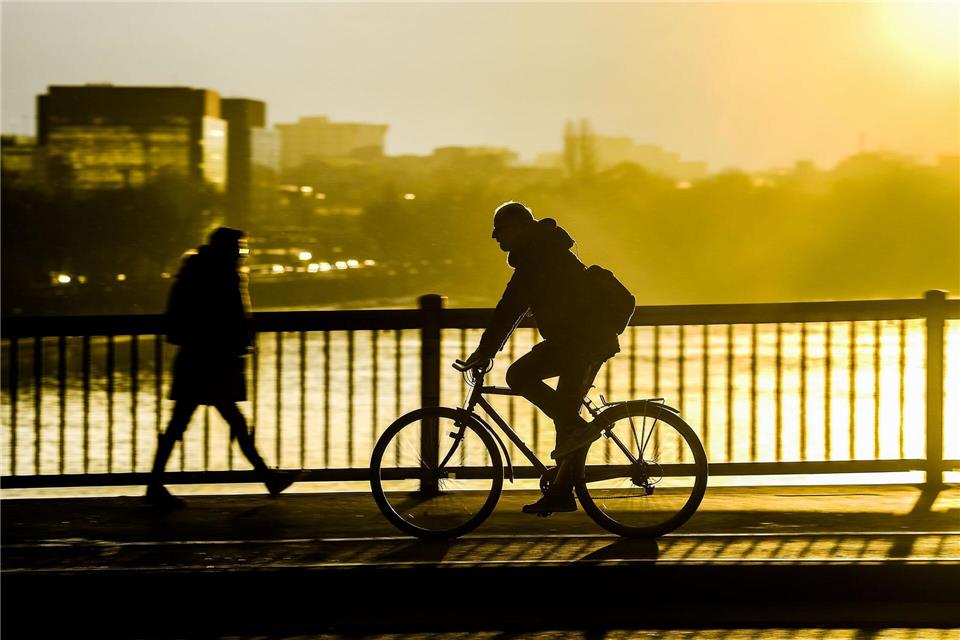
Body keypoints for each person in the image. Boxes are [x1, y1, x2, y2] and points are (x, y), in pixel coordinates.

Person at [462, 202, 622, 514]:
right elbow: (515, 308)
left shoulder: (538, 258)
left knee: (519, 377)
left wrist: (485, 352)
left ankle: (577, 431)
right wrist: (487, 350)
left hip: (582, 342)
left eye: (501, 228)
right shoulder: (544, 250)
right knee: (565, 418)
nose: (495, 236)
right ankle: (562, 490)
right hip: (579, 341)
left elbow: (510, 307)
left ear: (521, 228)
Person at [145, 227, 296, 507]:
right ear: (228, 250)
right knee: (233, 423)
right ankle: (267, 477)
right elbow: (232, 318)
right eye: (240, 248)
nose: (243, 255)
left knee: (182, 424)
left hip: (195, 360)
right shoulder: (223, 276)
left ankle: (154, 485)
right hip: (214, 361)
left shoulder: (194, 271)